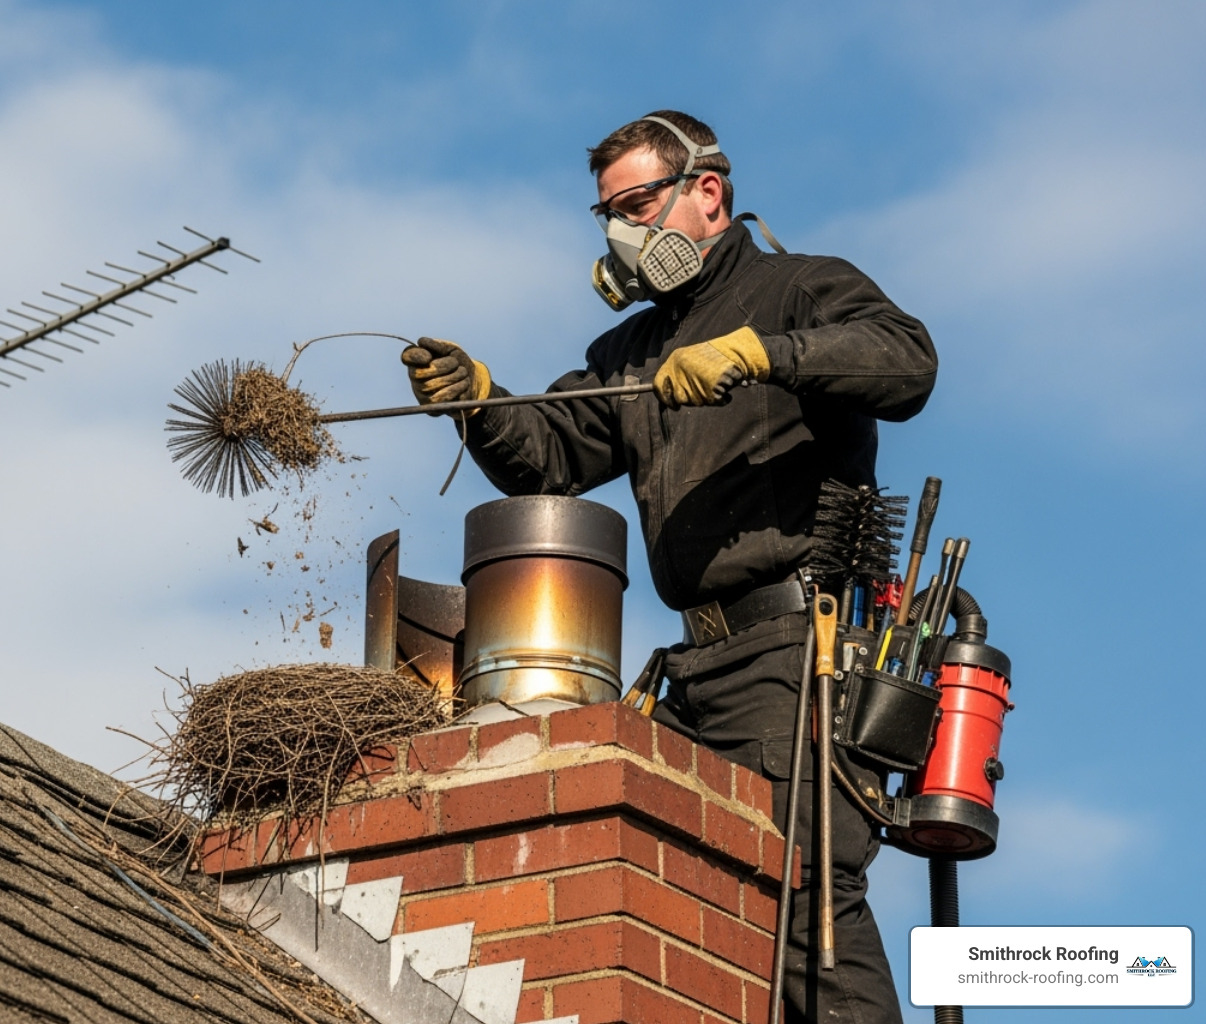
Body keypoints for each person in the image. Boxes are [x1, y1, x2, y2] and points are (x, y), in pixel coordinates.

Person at [400, 110, 937, 1022]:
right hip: (699, 669)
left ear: (707, 194)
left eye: (638, 204)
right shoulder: (632, 351)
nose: (622, 231)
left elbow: (906, 361)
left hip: (797, 656)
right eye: (607, 212)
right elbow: (554, 451)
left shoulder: (802, 288)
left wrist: (765, 355)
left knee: (804, 896)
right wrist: (482, 402)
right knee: (696, 905)